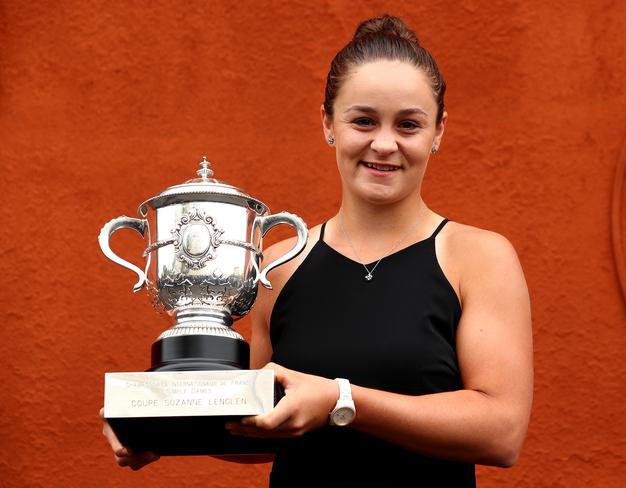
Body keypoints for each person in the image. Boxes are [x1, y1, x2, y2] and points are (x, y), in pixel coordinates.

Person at [101, 14, 533, 487]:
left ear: (439, 131)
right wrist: (161, 425)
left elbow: (501, 431)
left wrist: (340, 399)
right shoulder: (279, 267)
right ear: (328, 123)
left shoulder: (477, 257)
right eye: (363, 120)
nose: (384, 143)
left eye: (408, 124)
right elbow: (268, 426)